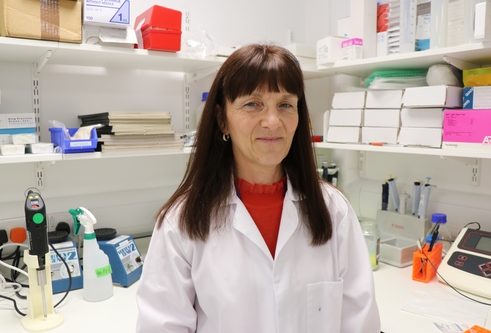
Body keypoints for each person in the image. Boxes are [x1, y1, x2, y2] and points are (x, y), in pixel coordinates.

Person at [136, 43, 381, 333]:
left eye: (285, 105)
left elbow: (359, 322)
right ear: (221, 119)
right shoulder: (182, 222)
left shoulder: (334, 210)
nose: (273, 121)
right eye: (253, 104)